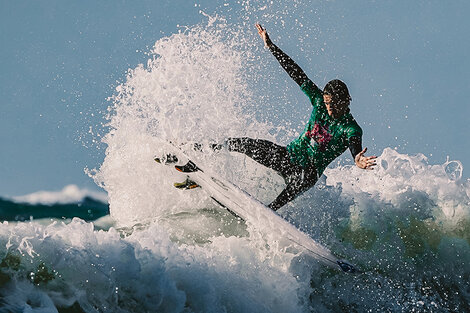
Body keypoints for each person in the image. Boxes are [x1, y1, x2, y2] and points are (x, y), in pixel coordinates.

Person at [223, 23, 377, 211]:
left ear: (346, 101)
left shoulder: (350, 128)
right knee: (243, 144)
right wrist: (271, 46)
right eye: (327, 103)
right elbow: (295, 72)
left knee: (279, 200)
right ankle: (199, 152)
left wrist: (357, 159)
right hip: (289, 156)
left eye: (333, 104)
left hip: (307, 173)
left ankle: (265, 213)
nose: (329, 109)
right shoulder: (319, 101)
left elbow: (355, 146)